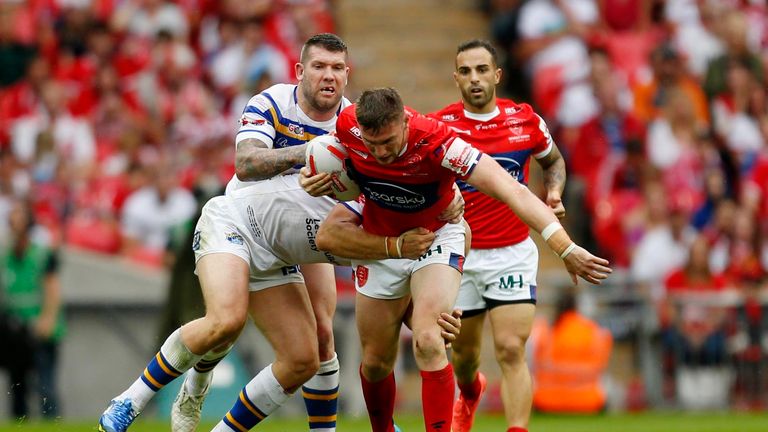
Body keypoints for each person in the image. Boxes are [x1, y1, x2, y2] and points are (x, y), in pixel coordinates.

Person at [98, 33, 463, 432]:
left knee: (314, 347)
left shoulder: (360, 129)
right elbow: (245, 163)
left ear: (347, 75)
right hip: (242, 223)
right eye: (320, 67)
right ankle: (136, 400)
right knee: (227, 321)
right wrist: (308, 153)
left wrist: (434, 310)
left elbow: (405, 179)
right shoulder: (273, 103)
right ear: (300, 71)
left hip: (295, 242)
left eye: (337, 68)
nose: (329, 76)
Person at [302, 87, 611, 432]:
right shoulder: (348, 124)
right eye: (372, 145)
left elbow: (513, 190)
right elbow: (324, 157)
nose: (380, 153)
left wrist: (565, 248)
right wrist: (307, 174)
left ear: (404, 121)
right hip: (383, 239)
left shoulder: (439, 142)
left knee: (430, 340)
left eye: (388, 142)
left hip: (436, 235)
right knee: (375, 362)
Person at [428, 39, 566, 432]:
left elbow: (553, 161)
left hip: (512, 253)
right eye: (466, 71)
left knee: (510, 349)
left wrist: (553, 191)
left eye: (482, 70)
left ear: (497, 74)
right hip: (461, 256)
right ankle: (470, 394)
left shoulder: (524, 120)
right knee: (466, 359)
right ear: (456, 78)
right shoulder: (440, 127)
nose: (475, 79)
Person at [0, 199, 64, 419]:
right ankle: (20, 423)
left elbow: (52, 288)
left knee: (45, 384)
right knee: (17, 384)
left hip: (38, 327)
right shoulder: (6, 256)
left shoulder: (42, 254)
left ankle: (51, 422)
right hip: (15, 330)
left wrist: (47, 319)